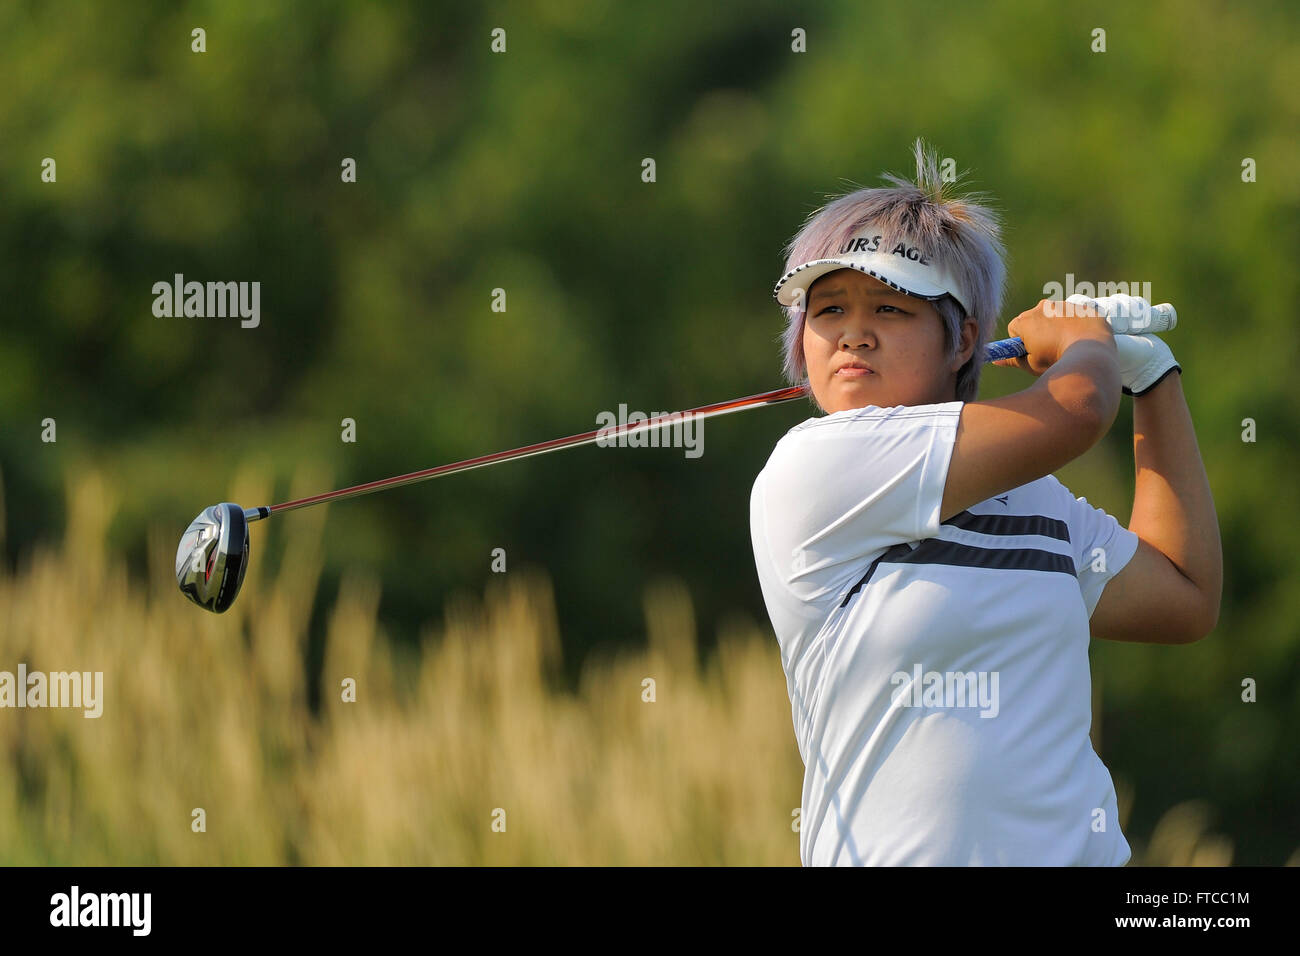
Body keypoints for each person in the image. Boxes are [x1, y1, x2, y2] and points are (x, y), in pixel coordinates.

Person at [749, 140, 1222, 866]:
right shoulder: (815, 467)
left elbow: (1183, 596)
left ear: (964, 338)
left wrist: (1154, 382)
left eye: (890, 307)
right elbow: (1075, 413)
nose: (854, 331)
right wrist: (1086, 345)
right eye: (829, 308)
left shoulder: (1034, 502)